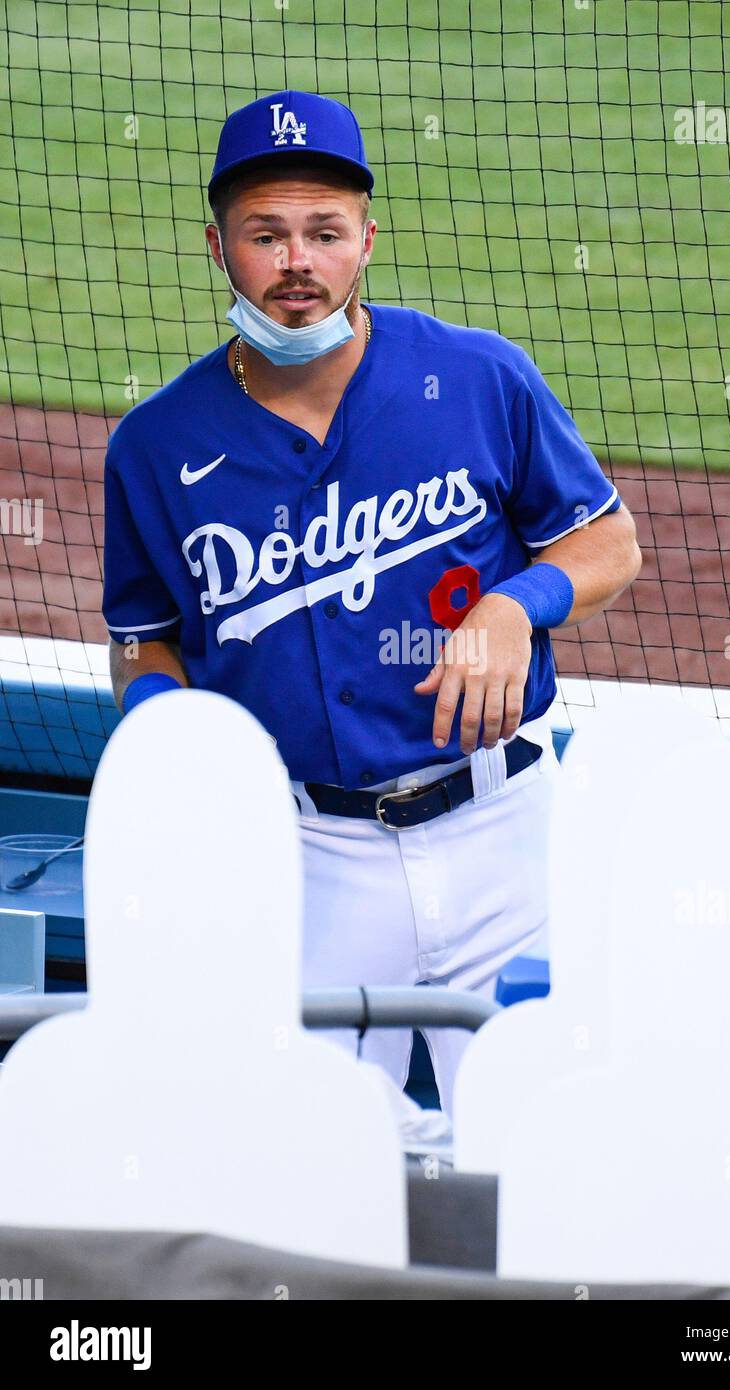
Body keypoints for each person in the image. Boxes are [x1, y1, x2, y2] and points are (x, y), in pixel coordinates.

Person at [102, 89, 642, 1119]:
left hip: (508, 830)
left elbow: (606, 540)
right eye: (266, 234)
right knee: (306, 1161)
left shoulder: (478, 376)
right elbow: (145, 640)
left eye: (323, 231)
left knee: (563, 1133)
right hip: (308, 855)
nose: (295, 262)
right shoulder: (156, 443)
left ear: (365, 241)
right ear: (219, 248)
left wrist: (513, 605)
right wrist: (165, 730)